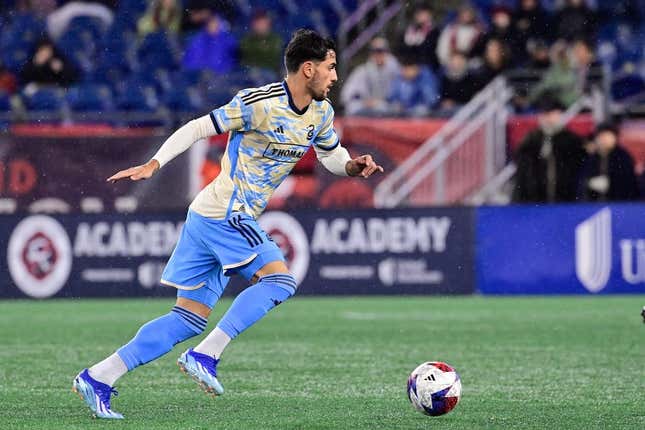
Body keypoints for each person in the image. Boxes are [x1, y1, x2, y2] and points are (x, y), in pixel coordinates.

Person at [72, 29, 383, 420]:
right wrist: (155, 163)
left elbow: (331, 155)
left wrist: (352, 167)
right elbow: (198, 127)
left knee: (187, 318)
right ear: (308, 69)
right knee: (280, 281)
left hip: (210, 215)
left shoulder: (321, 113)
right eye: (331, 67)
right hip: (225, 211)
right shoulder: (259, 103)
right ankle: (206, 354)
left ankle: (98, 377)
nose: (335, 76)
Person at [513, 98, 587, 203]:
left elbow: (579, 169)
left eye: (552, 114)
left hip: (566, 200)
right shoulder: (531, 140)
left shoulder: (571, 141)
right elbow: (523, 171)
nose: (549, 119)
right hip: (535, 201)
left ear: (560, 115)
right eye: (545, 115)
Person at [578, 122, 640, 201]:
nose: (604, 140)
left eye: (607, 136)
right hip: (594, 204)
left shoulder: (623, 156)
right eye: (601, 136)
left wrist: (610, 184)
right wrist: (588, 183)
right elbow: (581, 179)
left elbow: (628, 182)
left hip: (619, 203)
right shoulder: (592, 157)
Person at [340, 37, 399, 116]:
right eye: (375, 51)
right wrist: (365, 102)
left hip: (386, 106)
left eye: (381, 51)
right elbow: (345, 96)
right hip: (365, 106)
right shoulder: (362, 70)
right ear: (371, 53)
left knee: (386, 107)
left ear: (387, 52)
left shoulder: (394, 69)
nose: (378, 54)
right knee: (352, 107)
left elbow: (399, 96)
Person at [436, 3, 484, 68]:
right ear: (460, 14)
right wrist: (449, 63)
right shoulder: (450, 29)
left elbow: (481, 53)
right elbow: (442, 50)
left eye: (469, 13)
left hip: (471, 66)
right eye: (464, 13)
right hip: (450, 65)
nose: (466, 16)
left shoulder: (479, 31)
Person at [239, 9, 284, 74]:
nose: (260, 25)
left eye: (262, 22)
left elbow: (273, 57)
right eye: (257, 22)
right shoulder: (246, 40)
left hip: (272, 73)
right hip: (251, 74)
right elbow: (246, 56)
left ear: (268, 22)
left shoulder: (276, 39)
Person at [397, 5, 440, 70]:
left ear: (430, 15)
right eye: (418, 13)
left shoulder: (434, 32)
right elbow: (401, 49)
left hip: (427, 66)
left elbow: (429, 52)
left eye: (423, 13)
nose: (419, 16)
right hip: (408, 66)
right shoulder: (409, 31)